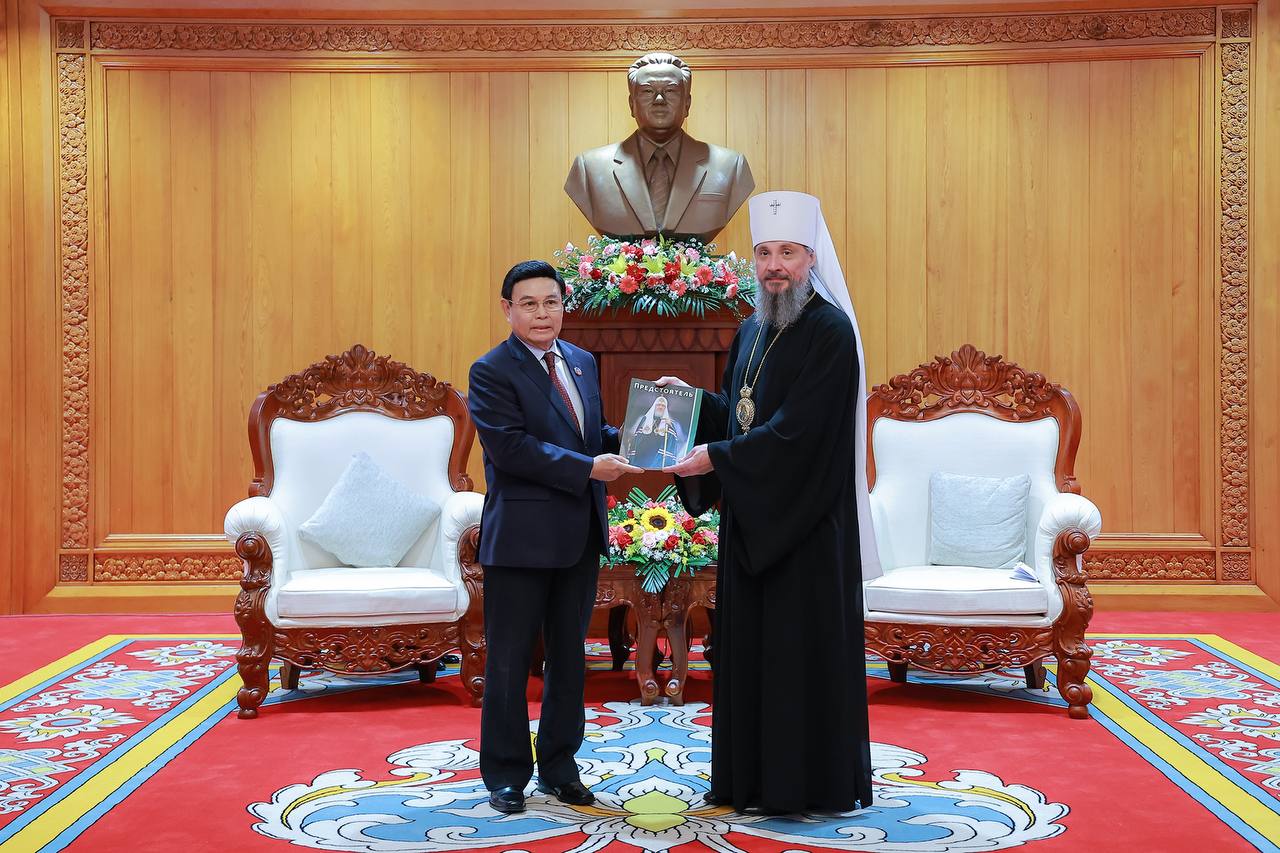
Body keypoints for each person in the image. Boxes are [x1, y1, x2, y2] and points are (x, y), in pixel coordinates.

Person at [658, 190, 880, 814]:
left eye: (787, 252)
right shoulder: (752, 328)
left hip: (806, 528)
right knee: (752, 657)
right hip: (757, 524)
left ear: (811, 258)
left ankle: (803, 786)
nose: (774, 264)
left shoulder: (832, 334)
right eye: (764, 253)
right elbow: (744, 414)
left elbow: (798, 435)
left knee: (796, 659)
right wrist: (696, 404)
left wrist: (719, 460)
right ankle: (749, 780)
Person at [467, 260, 642, 815]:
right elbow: (511, 449)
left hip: (578, 533)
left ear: (565, 305)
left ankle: (561, 768)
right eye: (529, 304)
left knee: (571, 658)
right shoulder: (491, 370)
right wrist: (589, 468)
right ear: (507, 310)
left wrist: (649, 422)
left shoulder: (583, 363)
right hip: (520, 538)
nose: (542, 314)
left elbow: (593, 434)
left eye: (551, 302)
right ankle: (506, 774)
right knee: (510, 660)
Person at [563, 52, 754, 243]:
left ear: (687, 103)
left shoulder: (729, 166)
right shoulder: (589, 168)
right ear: (632, 104)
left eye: (671, 91)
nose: (659, 99)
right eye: (647, 91)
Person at [626, 395, 686, 469]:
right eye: (658, 405)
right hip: (642, 455)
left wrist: (669, 427)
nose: (660, 407)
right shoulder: (644, 419)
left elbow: (672, 442)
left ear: (665, 408)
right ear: (654, 406)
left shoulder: (669, 424)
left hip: (657, 457)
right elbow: (636, 438)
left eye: (663, 406)